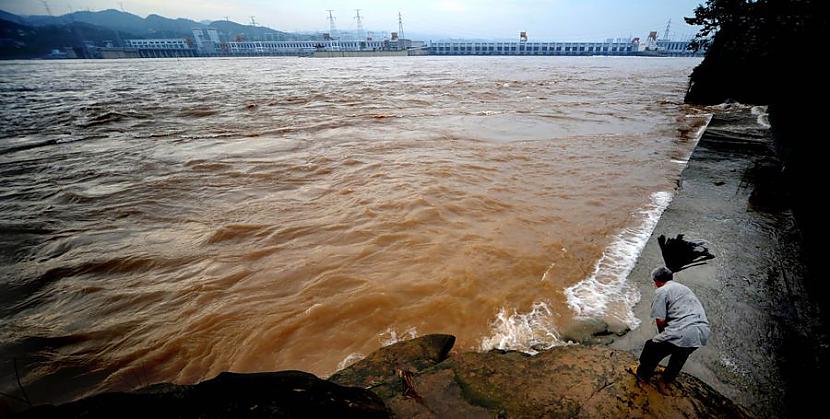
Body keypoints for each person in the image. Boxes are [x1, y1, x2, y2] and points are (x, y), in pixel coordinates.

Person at [634, 266, 711, 383]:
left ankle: (642, 375)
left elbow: (660, 319)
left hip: (683, 331)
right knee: (679, 356)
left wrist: (663, 335)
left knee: (651, 347)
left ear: (657, 281)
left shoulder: (662, 291)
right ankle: (667, 380)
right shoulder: (684, 288)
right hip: (702, 332)